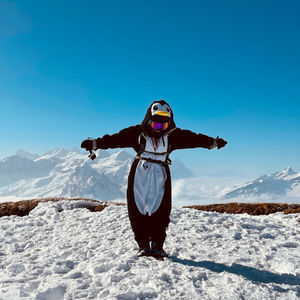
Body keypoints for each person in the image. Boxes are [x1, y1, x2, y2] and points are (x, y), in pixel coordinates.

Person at [81, 100, 227, 259]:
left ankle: (157, 245)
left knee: (162, 209)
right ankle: (143, 245)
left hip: (161, 174)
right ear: (148, 119)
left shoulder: (173, 135)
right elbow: (115, 139)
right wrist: (95, 143)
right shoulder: (137, 133)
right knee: (137, 208)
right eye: (156, 125)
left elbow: (194, 139)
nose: (159, 129)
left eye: (163, 126)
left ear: (169, 122)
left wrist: (212, 142)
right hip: (139, 174)